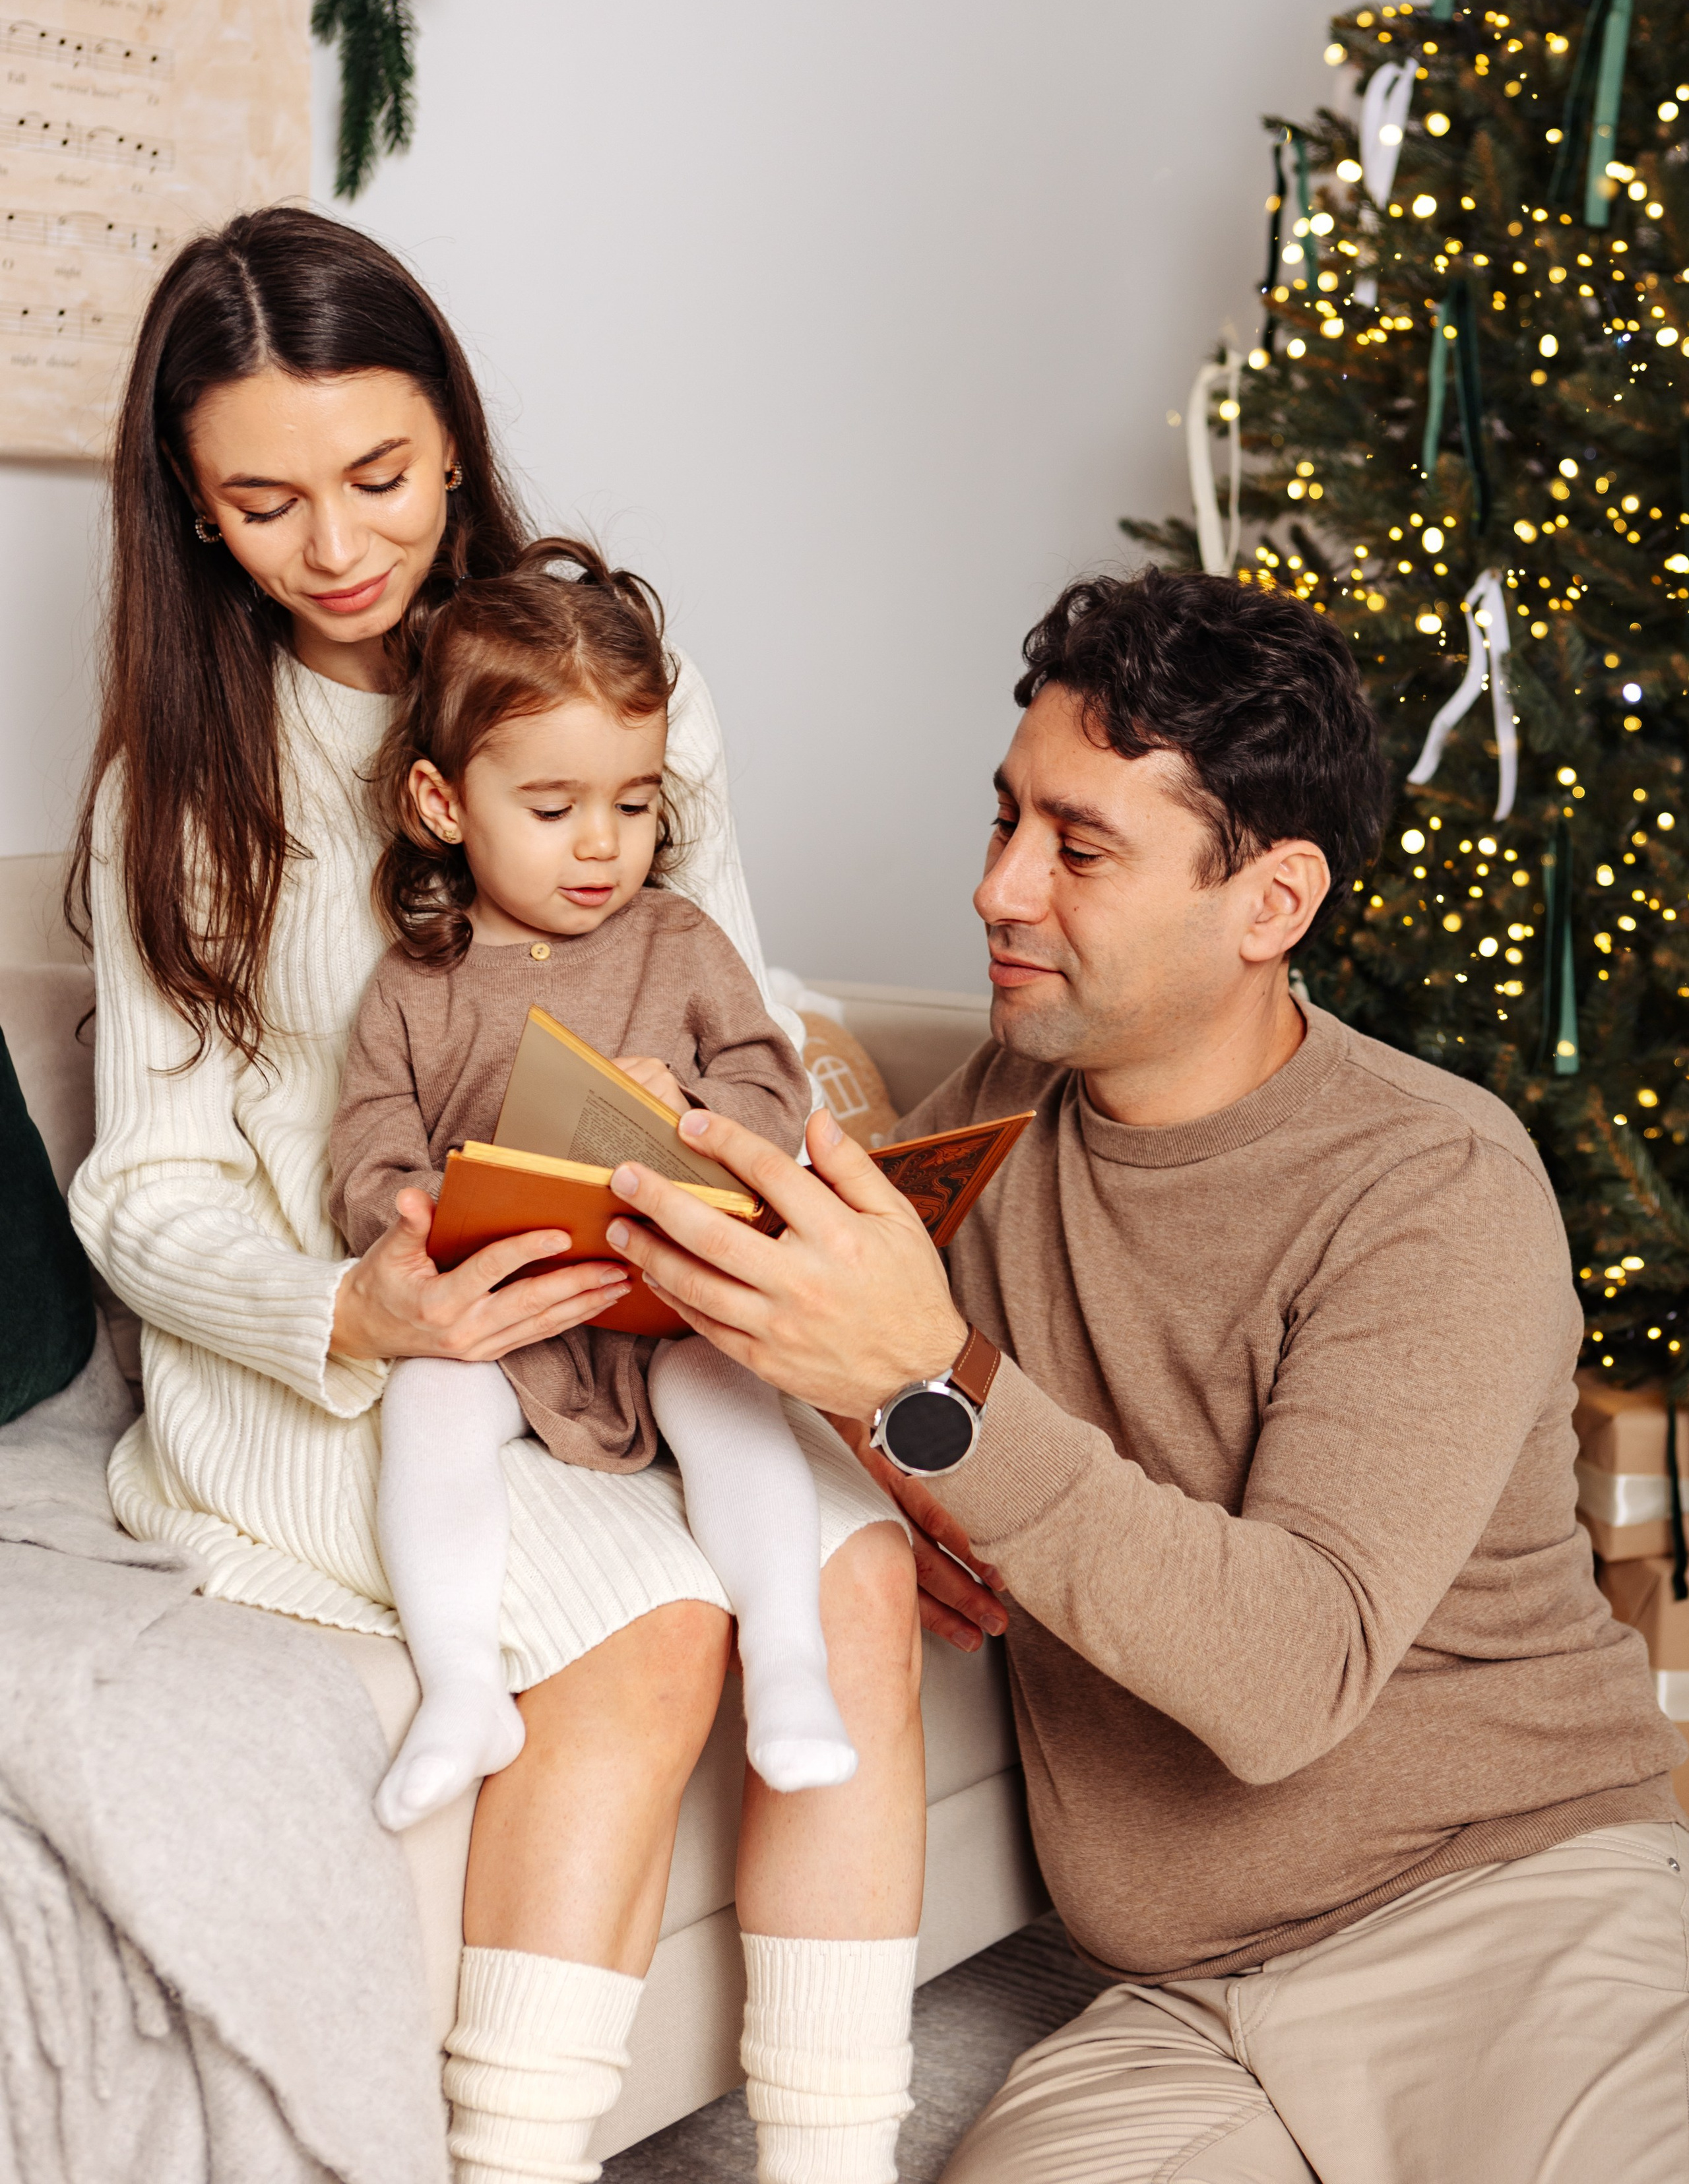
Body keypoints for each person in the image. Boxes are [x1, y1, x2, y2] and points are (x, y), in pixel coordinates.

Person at [604, 565, 1689, 2184]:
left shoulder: (1434, 1187)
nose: (997, 889)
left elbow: (1285, 1675)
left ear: (1269, 904)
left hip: (1509, 1910)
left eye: (1079, 848)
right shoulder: (995, 1113)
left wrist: (933, 1397)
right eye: (1005, 822)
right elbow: (854, 1376)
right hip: (1176, 2000)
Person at [67, 208, 924, 2184]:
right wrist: (357, 1309)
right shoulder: (182, 791)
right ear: (194, 514)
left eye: (378, 476)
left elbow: (735, 990)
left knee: (855, 1579)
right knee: (651, 1627)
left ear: (453, 440)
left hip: (620, 1309)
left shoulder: (620, 684)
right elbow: (143, 1188)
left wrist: (781, 1167)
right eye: (264, 503)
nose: (340, 545)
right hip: (343, 1362)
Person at [330, 533, 860, 1832]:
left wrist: (695, 1111)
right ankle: (461, 1685)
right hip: (511, 1319)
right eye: (554, 809)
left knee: (730, 1393)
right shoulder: (414, 982)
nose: (601, 847)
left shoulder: (677, 941)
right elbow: (364, 1152)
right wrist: (410, 1209)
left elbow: (769, 1086)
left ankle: (785, 1654)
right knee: (434, 1410)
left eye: (633, 805)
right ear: (443, 806)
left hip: (667, 1296)